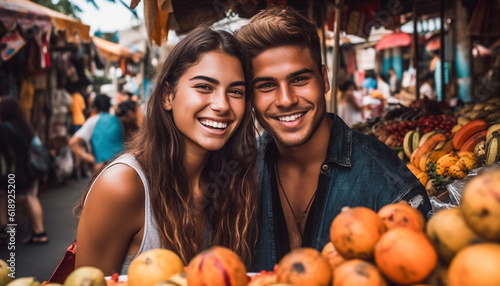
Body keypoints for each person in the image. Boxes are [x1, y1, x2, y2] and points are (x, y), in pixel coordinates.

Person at [236, 6, 432, 271]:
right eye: (267, 85)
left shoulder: (386, 181)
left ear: (324, 79)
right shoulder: (238, 174)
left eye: (299, 79)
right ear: (250, 95)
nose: (286, 100)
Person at [73, 27, 258, 276]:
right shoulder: (122, 185)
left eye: (236, 91)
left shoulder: (236, 179)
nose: (222, 105)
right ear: (168, 95)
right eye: (204, 87)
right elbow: (87, 282)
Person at [0, 96, 48, 244]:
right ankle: (39, 231)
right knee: (31, 197)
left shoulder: (3, 128)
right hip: (31, 168)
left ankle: (5, 228)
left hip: (14, 169)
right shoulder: (26, 126)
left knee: (3, 197)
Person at [69, 94, 125, 174]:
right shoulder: (118, 121)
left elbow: (72, 142)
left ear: (95, 107)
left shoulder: (93, 121)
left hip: (103, 169)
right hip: (123, 165)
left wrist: (90, 159)